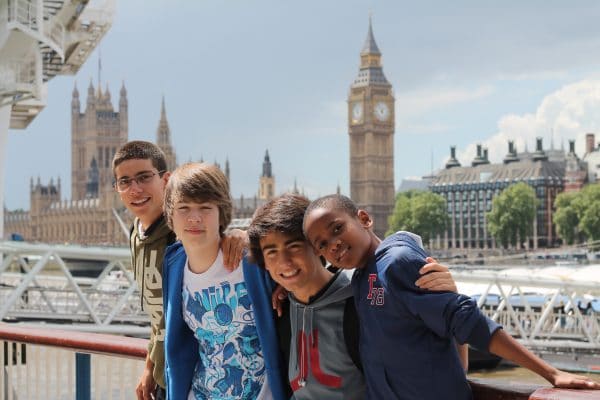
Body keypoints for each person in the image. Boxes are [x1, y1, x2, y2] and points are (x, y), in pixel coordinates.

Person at [302, 194, 600, 400]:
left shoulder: (397, 263)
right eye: (323, 245)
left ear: (364, 218)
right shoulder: (361, 279)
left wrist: (550, 374)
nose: (334, 245)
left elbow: (468, 322)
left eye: (338, 229)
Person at [247, 193, 466, 400]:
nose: (284, 262)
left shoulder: (365, 302)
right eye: (271, 252)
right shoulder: (279, 308)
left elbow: (450, 366)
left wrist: (448, 302)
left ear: (317, 247)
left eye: (294, 246)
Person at [112, 142, 246, 400]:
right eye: (125, 181)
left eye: (144, 177)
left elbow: (219, 238)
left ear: (166, 180)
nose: (135, 189)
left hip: (195, 379)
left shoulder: (181, 235)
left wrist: (243, 235)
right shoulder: (136, 233)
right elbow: (158, 313)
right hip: (165, 376)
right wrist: (150, 367)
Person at [162, 162, 289, 400]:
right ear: (170, 214)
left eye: (205, 208)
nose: (194, 217)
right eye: (184, 207)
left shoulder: (252, 259)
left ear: (222, 212)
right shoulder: (173, 264)